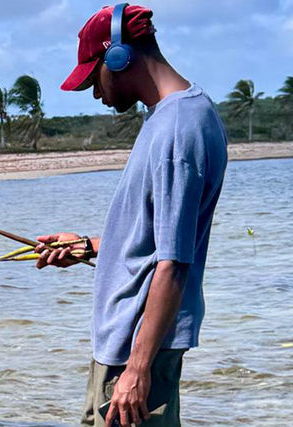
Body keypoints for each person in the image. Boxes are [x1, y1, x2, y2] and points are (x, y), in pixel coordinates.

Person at [39, 4, 228, 426]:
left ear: (119, 58)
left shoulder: (178, 130)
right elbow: (159, 242)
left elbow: (175, 262)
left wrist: (137, 368)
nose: (95, 92)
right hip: (129, 339)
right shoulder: (173, 118)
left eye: (93, 77)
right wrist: (88, 247)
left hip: (136, 344)